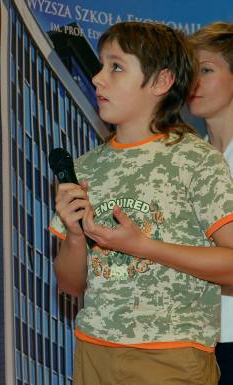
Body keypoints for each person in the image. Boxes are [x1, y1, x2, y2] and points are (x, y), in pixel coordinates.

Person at [49, 22, 233, 385]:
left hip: (171, 357)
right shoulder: (87, 167)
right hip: (93, 354)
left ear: (162, 81)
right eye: (101, 66)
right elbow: (70, 285)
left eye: (116, 67)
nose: (98, 78)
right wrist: (74, 236)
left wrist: (143, 246)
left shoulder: (196, 160)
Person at [188, 22, 233, 385]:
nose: (194, 82)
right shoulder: (185, 161)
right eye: (189, 72)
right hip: (196, 341)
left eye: (205, 70)